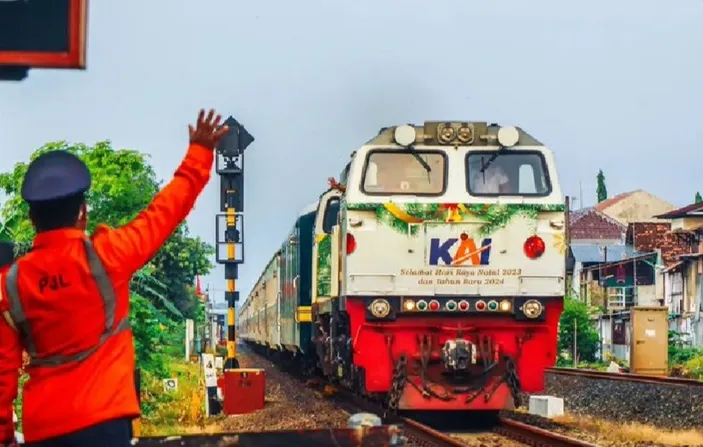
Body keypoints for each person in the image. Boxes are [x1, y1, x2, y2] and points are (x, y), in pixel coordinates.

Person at [0, 109, 228, 447]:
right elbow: (165, 211)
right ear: (83, 212)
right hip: (105, 422)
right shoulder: (109, 256)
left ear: (32, 218)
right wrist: (199, 152)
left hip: (44, 427)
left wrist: (4, 434)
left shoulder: (11, 284)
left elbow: (3, 370)